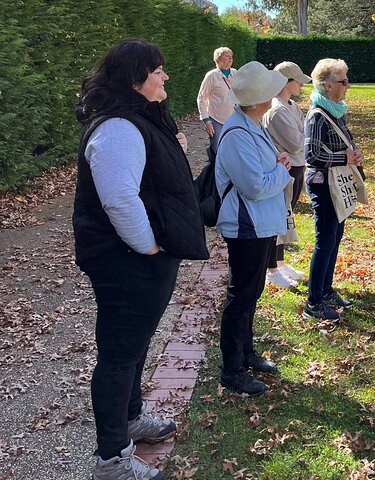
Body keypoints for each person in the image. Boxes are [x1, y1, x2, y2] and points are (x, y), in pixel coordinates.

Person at [74, 39, 209, 480]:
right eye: (157, 70)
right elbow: (119, 200)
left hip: (139, 256)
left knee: (134, 348)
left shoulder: (137, 120)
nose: (165, 76)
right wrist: (149, 246)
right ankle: (111, 459)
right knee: (118, 355)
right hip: (126, 259)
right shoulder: (117, 129)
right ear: (135, 79)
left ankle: (131, 419)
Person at [215, 61, 292, 396]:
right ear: (261, 97)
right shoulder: (236, 133)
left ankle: (246, 354)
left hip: (259, 223)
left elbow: (264, 171)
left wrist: (278, 165)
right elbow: (256, 186)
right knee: (241, 296)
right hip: (246, 225)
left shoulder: (252, 124)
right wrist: (283, 171)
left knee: (251, 293)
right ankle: (231, 371)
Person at [303, 58, 364, 322]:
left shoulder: (335, 110)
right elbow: (312, 154)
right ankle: (313, 303)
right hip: (322, 184)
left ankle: (326, 291)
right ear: (328, 86)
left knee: (334, 238)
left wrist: (354, 153)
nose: (347, 86)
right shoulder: (318, 114)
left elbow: (341, 144)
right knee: (324, 241)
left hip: (335, 184)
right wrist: (345, 159)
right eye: (343, 81)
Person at [262, 61, 312, 288]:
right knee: (277, 219)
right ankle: (271, 269)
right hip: (285, 169)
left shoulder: (291, 106)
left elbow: (304, 137)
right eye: (297, 80)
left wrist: (303, 137)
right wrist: (304, 138)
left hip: (297, 166)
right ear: (286, 82)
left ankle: (279, 263)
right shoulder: (277, 110)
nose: (301, 84)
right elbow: (297, 142)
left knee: (285, 217)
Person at [197, 47, 236, 154]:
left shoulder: (236, 74)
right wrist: (206, 120)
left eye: (231, 55)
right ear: (218, 59)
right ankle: (215, 169)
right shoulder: (211, 76)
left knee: (232, 148)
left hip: (233, 119)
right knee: (218, 149)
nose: (230, 57)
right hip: (216, 119)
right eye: (226, 55)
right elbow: (201, 98)